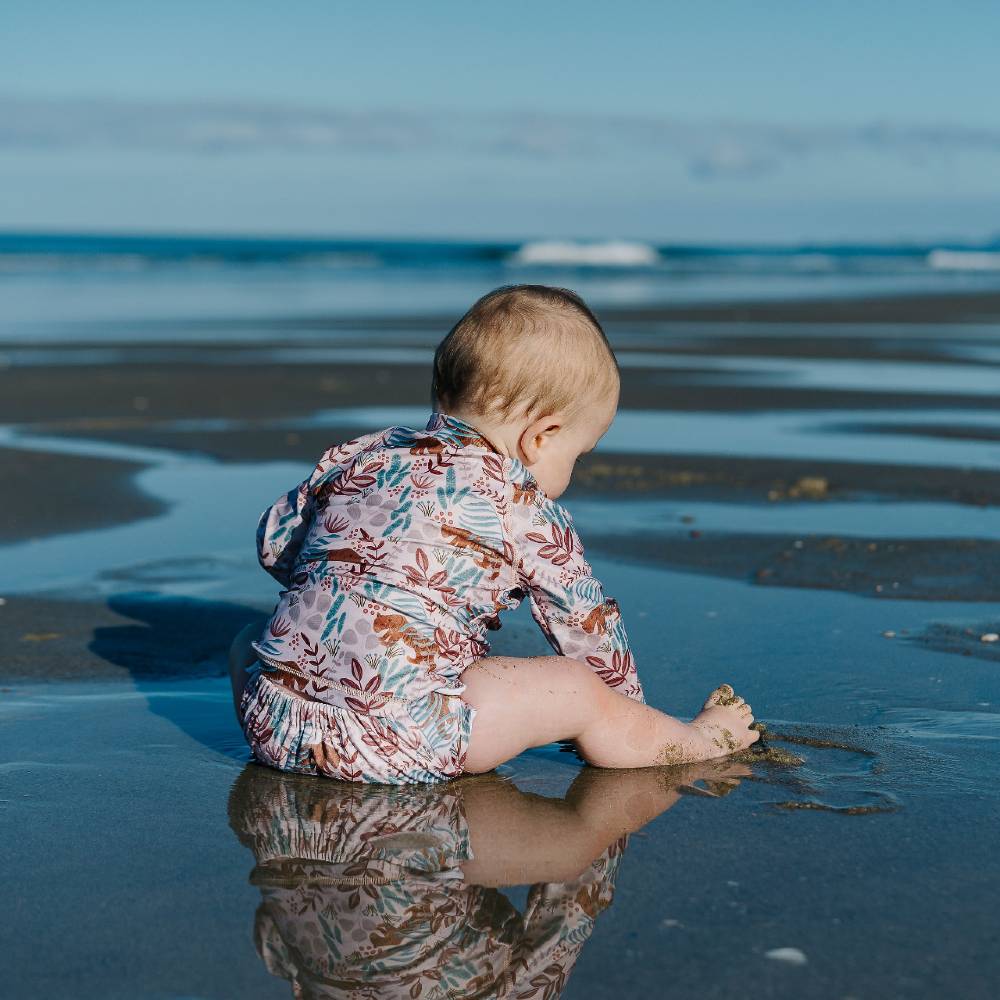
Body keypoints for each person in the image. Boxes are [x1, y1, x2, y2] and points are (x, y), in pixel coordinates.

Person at [229, 284, 759, 784]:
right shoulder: (520, 503)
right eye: (578, 454)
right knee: (574, 687)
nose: (573, 471)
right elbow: (584, 624)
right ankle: (699, 742)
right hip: (402, 740)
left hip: (273, 721)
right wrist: (620, 705)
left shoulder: (366, 454)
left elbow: (275, 541)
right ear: (541, 437)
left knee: (245, 641)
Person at [227, 754, 752, 998]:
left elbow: (570, 912)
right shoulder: (299, 982)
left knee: (570, 864)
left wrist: (596, 841)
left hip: (431, 875)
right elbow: (271, 935)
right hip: (293, 833)